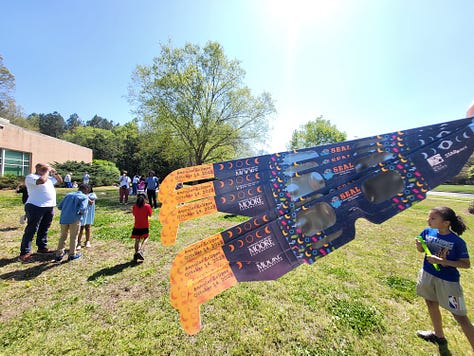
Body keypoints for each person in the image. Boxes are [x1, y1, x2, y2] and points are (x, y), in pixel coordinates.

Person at [415, 206, 474, 350]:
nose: (428, 220)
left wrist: (442, 262)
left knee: (459, 315)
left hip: (448, 283)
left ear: (446, 222)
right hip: (428, 275)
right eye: (429, 217)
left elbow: (466, 264)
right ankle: (438, 335)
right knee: (430, 302)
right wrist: (419, 246)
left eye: (433, 218)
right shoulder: (428, 232)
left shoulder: (457, 242)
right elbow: (422, 249)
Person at [19, 163, 63, 262]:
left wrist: (55, 173)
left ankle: (42, 247)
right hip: (35, 206)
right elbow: (41, 181)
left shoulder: (49, 178)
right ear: (37, 168)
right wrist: (47, 171)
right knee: (31, 229)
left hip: (49, 206)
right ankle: (24, 252)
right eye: (43, 168)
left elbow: (60, 181)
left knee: (44, 227)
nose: (45, 170)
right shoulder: (31, 177)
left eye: (46, 169)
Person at [54, 183, 90, 262]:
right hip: (74, 219)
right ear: (86, 190)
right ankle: (72, 254)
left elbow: (60, 206)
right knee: (74, 237)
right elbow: (83, 209)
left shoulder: (68, 195)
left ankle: (59, 254)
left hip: (64, 218)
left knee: (63, 236)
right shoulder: (84, 197)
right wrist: (79, 214)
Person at [131, 193, 152, 262]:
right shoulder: (147, 206)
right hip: (145, 225)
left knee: (137, 240)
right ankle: (140, 251)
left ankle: (136, 253)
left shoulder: (134, 206)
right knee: (146, 238)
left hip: (137, 225)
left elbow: (134, 214)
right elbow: (150, 215)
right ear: (145, 198)